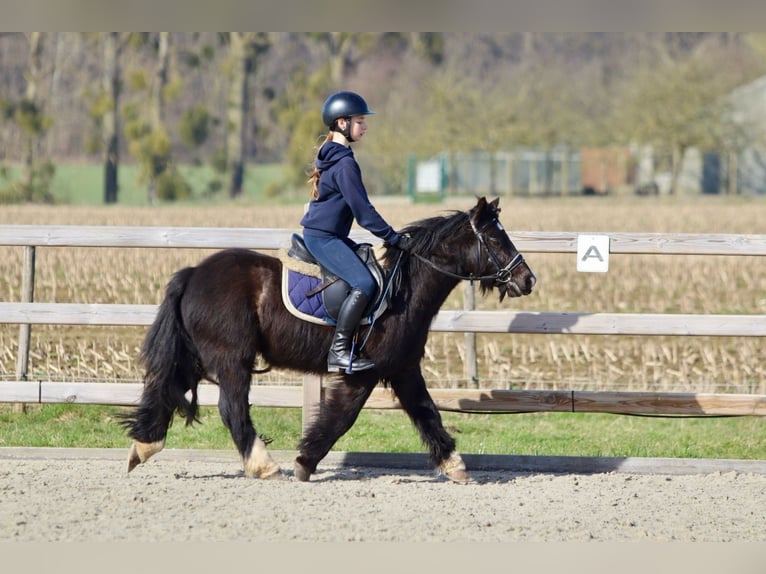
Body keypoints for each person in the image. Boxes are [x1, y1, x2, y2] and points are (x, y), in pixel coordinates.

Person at [301, 91, 411, 373]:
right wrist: (392, 237)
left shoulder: (333, 156)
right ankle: (339, 350)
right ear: (342, 124)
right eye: (360, 121)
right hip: (324, 238)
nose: (365, 126)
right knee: (365, 283)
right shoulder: (345, 164)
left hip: (328, 235)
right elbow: (363, 212)